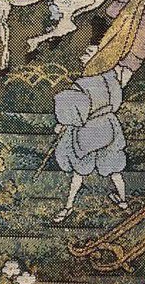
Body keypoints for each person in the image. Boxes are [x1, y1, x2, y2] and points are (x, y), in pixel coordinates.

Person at [52, 44, 131, 224]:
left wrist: (62, 124)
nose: (82, 57)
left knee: (79, 171)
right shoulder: (111, 79)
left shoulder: (82, 84)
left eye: (87, 54)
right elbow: (116, 102)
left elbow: (74, 112)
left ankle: (68, 206)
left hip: (89, 131)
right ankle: (123, 200)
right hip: (110, 126)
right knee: (114, 168)